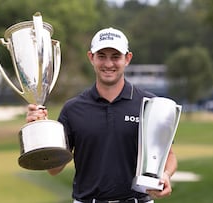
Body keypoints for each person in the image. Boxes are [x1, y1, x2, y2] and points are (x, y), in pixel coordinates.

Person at [26, 27, 177, 203]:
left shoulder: (150, 104)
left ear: (127, 59)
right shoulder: (73, 109)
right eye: (102, 56)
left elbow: (169, 156)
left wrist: (166, 174)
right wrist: (40, 132)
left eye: (115, 57)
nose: (108, 64)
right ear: (91, 58)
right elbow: (54, 169)